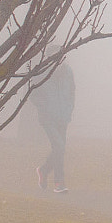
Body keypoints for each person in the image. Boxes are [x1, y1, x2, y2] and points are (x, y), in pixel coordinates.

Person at [30, 63, 76, 193]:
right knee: (59, 147)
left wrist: (69, 108)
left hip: (63, 117)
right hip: (48, 118)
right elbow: (33, 94)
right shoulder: (41, 70)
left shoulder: (68, 70)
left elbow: (72, 91)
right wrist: (44, 108)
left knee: (59, 149)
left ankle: (44, 171)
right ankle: (59, 183)